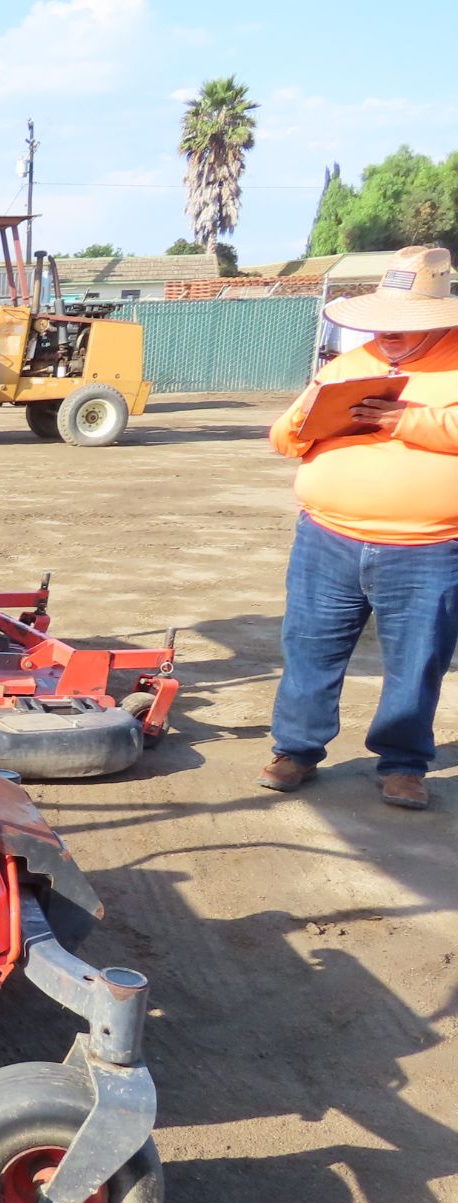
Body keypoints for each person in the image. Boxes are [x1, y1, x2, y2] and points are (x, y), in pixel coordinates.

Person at [262, 245, 458, 809]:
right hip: (328, 538)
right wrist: (304, 422)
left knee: (417, 660)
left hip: (428, 547)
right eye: (383, 323)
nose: (388, 334)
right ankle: (295, 750)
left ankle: (402, 764)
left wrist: (412, 422)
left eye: (404, 324)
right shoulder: (349, 365)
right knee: (309, 648)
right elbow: (283, 439)